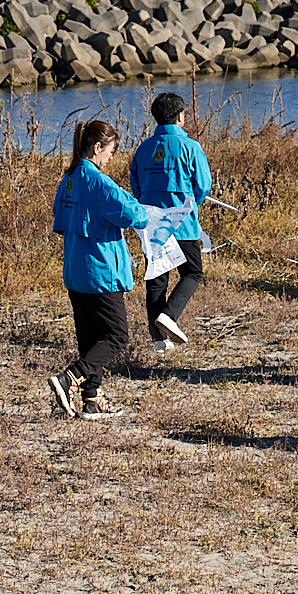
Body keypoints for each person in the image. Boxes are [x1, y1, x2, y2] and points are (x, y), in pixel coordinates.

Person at [51, 118, 157, 418]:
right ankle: (69, 378)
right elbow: (133, 214)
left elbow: (60, 219)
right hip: (99, 270)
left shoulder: (69, 177)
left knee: (90, 336)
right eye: (111, 150)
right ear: (97, 147)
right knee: (116, 335)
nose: (112, 157)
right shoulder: (97, 180)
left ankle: (92, 399)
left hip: (75, 269)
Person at [128, 93, 214, 351]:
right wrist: (190, 205)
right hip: (182, 224)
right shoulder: (190, 147)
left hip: (152, 225)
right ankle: (169, 315)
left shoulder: (144, 148)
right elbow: (204, 186)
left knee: (156, 277)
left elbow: (136, 185)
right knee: (192, 272)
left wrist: (147, 202)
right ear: (180, 116)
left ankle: (159, 339)